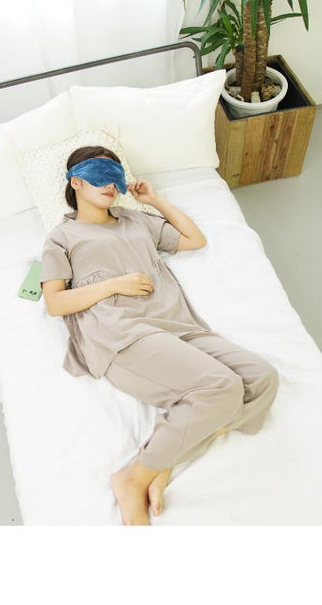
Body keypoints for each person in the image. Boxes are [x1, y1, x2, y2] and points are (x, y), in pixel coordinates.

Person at [39, 146, 279, 525]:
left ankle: (164, 458)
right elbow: (54, 303)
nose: (110, 184)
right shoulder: (61, 238)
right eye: (99, 175)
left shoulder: (135, 220)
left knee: (263, 378)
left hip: (178, 325)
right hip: (122, 333)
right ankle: (132, 478)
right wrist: (115, 284)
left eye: (115, 176)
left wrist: (154, 200)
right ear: (75, 182)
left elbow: (194, 239)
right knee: (222, 388)